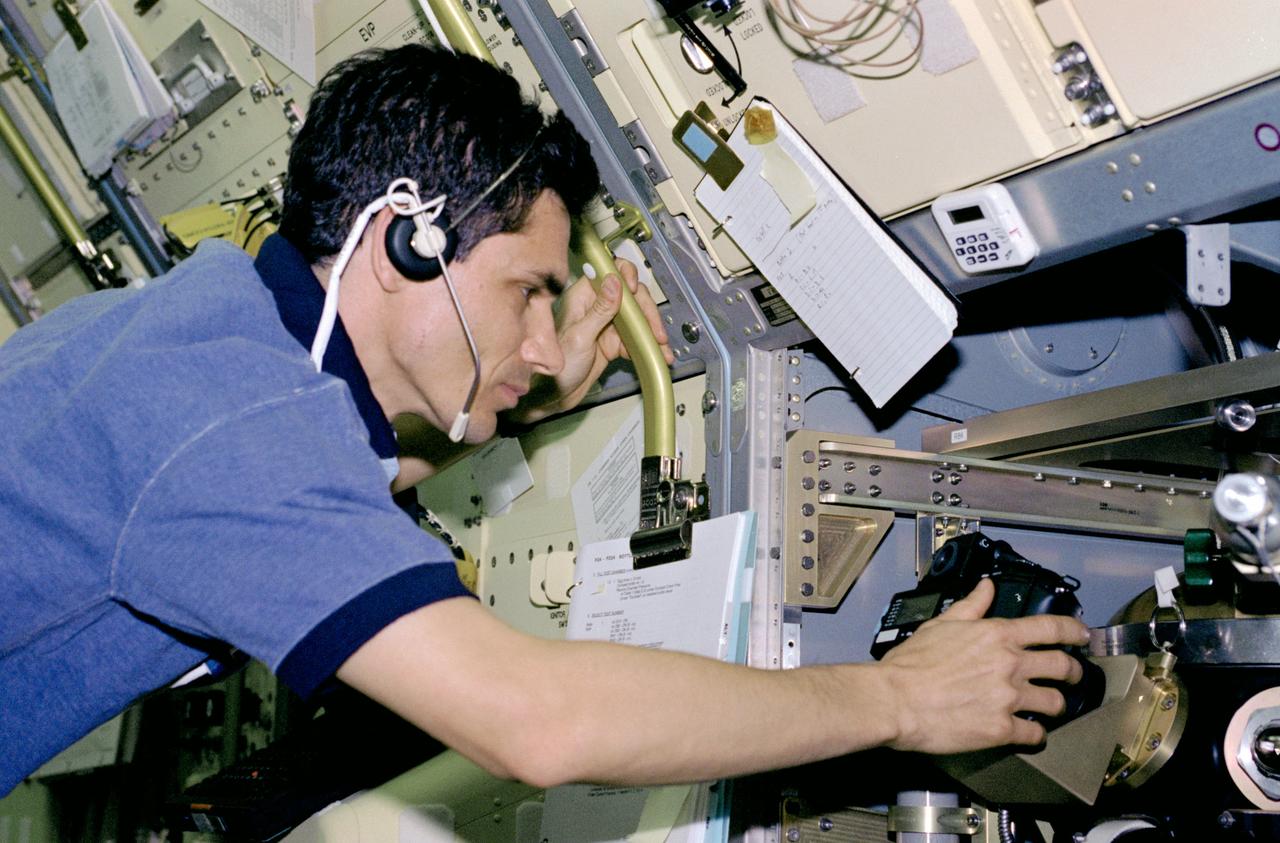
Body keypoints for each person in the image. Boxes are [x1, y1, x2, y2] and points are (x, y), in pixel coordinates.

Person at [0, 44, 1089, 796]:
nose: (539, 338)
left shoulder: (195, 337)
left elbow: (279, 512)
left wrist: (508, 405)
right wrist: (896, 698)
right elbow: (537, 723)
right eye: (527, 290)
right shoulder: (229, 430)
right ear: (405, 241)